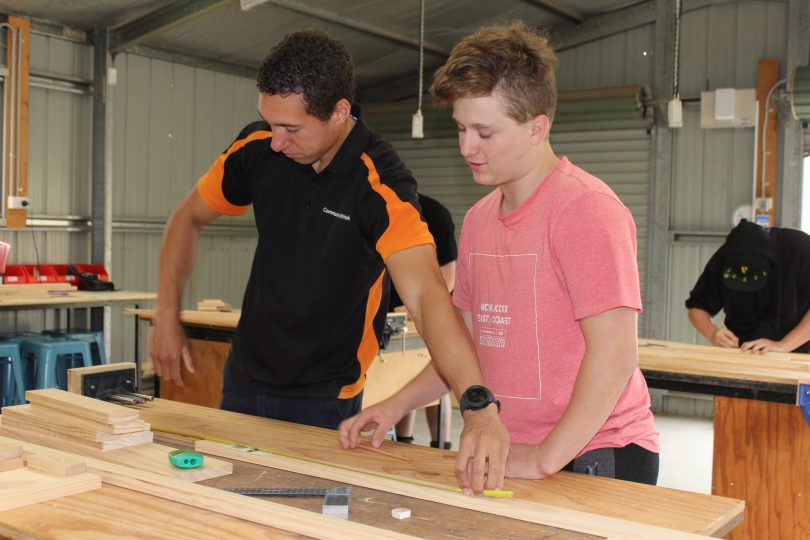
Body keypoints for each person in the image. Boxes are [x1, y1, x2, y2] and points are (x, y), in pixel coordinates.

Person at [148, 28, 508, 494]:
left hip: (324, 398)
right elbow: (185, 218)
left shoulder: (380, 184)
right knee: (224, 505)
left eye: (291, 128)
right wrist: (165, 311)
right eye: (268, 122)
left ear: (340, 112)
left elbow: (425, 294)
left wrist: (476, 406)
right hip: (244, 378)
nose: (275, 140)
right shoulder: (257, 148)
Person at [340, 21, 660, 485]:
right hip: (510, 447)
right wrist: (397, 404)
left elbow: (615, 355)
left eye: (485, 133)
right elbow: (466, 345)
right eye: (461, 128)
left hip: (595, 451)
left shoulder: (585, 209)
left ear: (537, 128)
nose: (467, 147)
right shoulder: (479, 220)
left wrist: (545, 457)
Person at [388, 193, 457, 449]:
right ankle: (404, 440)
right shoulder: (380, 208)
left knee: (439, 375)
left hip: (427, 312)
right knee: (400, 377)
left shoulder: (434, 212)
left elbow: (450, 272)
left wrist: (419, 308)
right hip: (391, 315)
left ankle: (442, 444)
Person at [686, 219, 810, 353]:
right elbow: (697, 307)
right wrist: (712, 333)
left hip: (796, 353)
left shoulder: (800, 250)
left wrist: (783, 345)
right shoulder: (724, 258)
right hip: (742, 351)